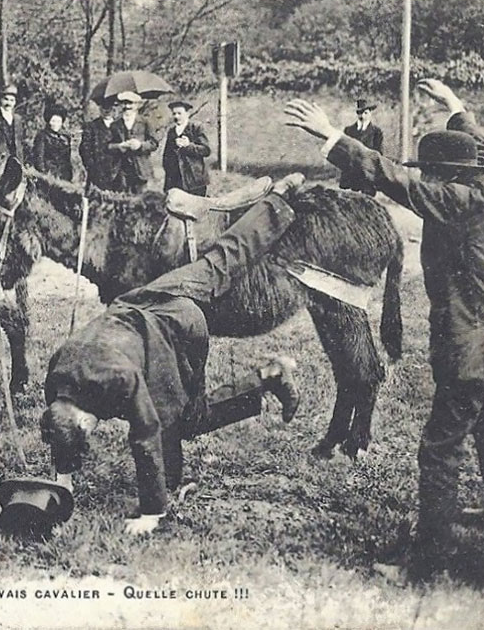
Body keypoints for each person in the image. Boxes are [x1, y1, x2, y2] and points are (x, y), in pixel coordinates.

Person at [285, 79, 484, 589]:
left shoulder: (455, 201)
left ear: (447, 176)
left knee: (439, 451)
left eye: (433, 172)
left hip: (468, 350)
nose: (428, 178)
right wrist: (455, 106)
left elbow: (395, 180)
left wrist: (332, 135)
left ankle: (427, 565)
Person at [41, 173, 305, 536]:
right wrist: (62, 481)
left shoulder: (120, 378)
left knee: (181, 420)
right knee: (222, 260)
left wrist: (152, 511)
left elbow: (146, 432)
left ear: (87, 425)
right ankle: (279, 198)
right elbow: (61, 426)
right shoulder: (58, 373)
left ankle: (268, 377)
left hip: (179, 324)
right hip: (145, 298)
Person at [108, 91, 158, 194]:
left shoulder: (145, 122)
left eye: (130, 103)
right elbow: (108, 146)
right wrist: (119, 146)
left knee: (141, 199)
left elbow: (154, 143)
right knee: (123, 199)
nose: (127, 106)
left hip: (141, 169)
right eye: (124, 103)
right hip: (121, 170)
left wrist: (140, 145)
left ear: (137, 105)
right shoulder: (115, 124)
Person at [162, 100, 212, 196]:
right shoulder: (171, 131)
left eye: (179, 113)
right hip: (175, 180)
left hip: (194, 179)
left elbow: (206, 150)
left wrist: (189, 146)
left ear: (187, 114)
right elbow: (166, 155)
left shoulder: (196, 127)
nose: (176, 116)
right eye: (174, 114)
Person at [339, 99, 384, 196]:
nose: (363, 116)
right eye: (360, 113)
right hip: (352, 171)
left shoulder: (376, 132)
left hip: (367, 170)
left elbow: (378, 153)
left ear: (370, 113)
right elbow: (344, 151)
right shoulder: (349, 130)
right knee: (352, 197)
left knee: (367, 197)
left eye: (366, 113)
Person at [79, 97, 120, 192]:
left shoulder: (120, 126)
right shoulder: (92, 126)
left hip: (117, 171)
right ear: (100, 108)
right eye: (104, 107)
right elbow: (84, 149)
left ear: (114, 108)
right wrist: (92, 167)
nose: (107, 110)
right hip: (97, 171)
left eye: (110, 107)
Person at [30, 103, 73, 181]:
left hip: (63, 175)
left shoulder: (65, 138)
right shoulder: (42, 136)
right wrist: (44, 175)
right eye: (53, 121)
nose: (56, 124)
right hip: (48, 174)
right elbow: (39, 158)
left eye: (59, 121)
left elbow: (67, 160)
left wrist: (69, 175)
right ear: (48, 121)